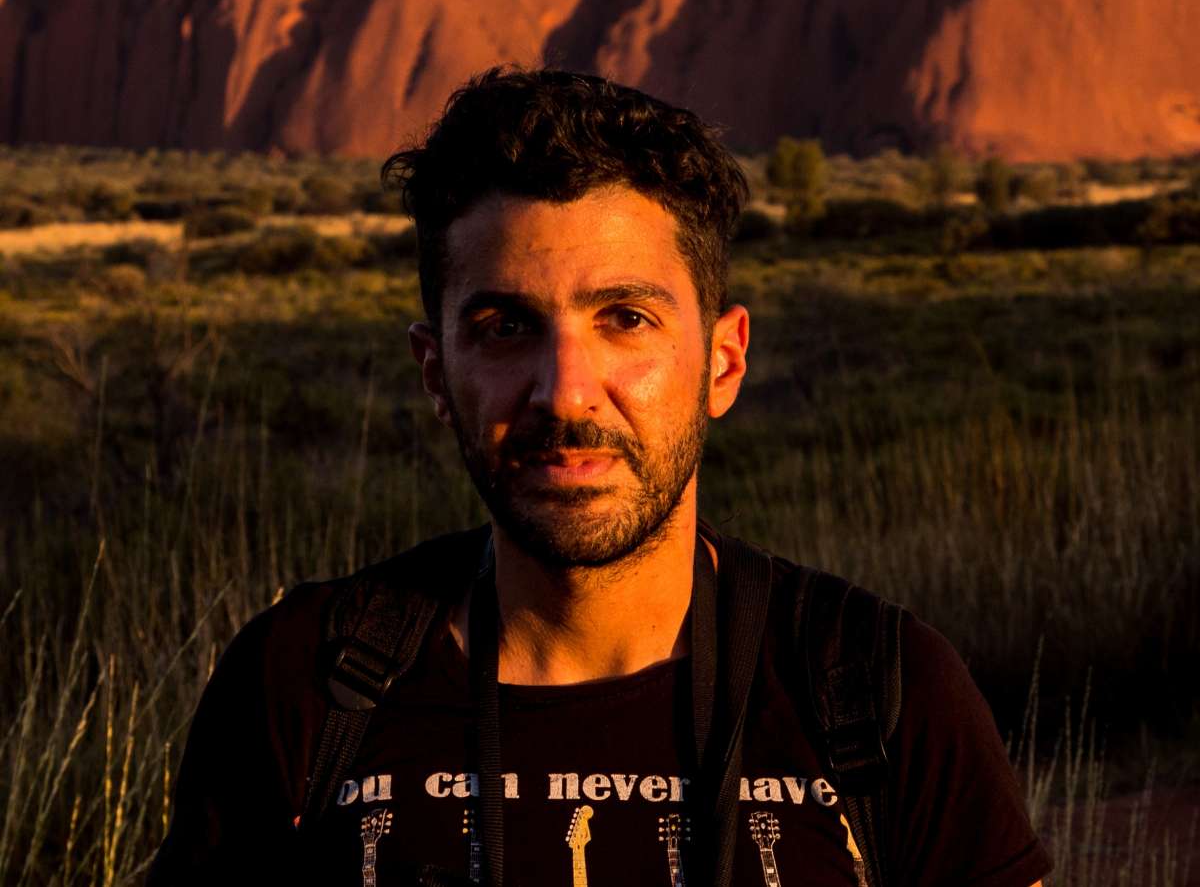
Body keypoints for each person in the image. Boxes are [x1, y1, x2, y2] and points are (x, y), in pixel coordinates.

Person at [149, 67, 1050, 887]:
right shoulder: (305, 683)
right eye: (506, 327)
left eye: (624, 317)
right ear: (435, 373)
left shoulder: (876, 689)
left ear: (723, 363)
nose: (565, 392)